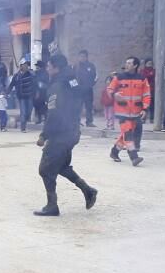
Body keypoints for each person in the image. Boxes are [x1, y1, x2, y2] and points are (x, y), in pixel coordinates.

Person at [34, 54, 97, 217]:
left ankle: (51, 206)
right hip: (72, 131)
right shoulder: (72, 81)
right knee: (60, 166)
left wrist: (44, 135)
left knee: (45, 169)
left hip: (60, 134)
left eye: (49, 66)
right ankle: (88, 191)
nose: (47, 69)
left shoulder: (58, 85)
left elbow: (54, 114)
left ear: (56, 68)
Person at [107, 57, 151, 167]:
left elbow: (146, 95)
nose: (127, 65)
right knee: (128, 134)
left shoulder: (142, 79)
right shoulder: (119, 77)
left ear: (135, 66)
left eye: (129, 63)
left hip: (136, 112)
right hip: (122, 111)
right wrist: (114, 95)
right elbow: (109, 89)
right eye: (126, 63)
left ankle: (114, 152)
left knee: (125, 135)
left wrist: (145, 109)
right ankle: (134, 156)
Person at [8, 58, 36, 133]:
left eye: (27, 65)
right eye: (24, 65)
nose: (26, 66)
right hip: (21, 97)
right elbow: (11, 85)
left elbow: (35, 84)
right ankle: (23, 128)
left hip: (30, 96)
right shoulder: (17, 76)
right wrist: (6, 93)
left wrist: (36, 93)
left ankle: (25, 121)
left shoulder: (31, 74)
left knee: (29, 111)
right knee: (23, 112)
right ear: (21, 66)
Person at [73, 50, 98, 127]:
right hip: (78, 91)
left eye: (84, 56)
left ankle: (89, 121)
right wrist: (74, 87)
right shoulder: (75, 67)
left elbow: (96, 76)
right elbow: (71, 78)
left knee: (89, 106)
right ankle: (76, 121)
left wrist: (90, 85)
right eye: (80, 56)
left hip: (88, 90)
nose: (82, 58)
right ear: (78, 57)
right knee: (77, 106)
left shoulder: (91, 66)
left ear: (87, 57)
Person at [142, 58, 156, 123]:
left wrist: (151, 75)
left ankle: (152, 118)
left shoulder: (154, 70)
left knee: (152, 106)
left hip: (152, 90)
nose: (149, 65)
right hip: (144, 90)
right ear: (145, 64)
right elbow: (144, 77)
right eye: (148, 63)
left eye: (151, 64)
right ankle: (143, 118)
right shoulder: (143, 71)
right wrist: (150, 75)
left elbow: (155, 77)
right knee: (144, 105)